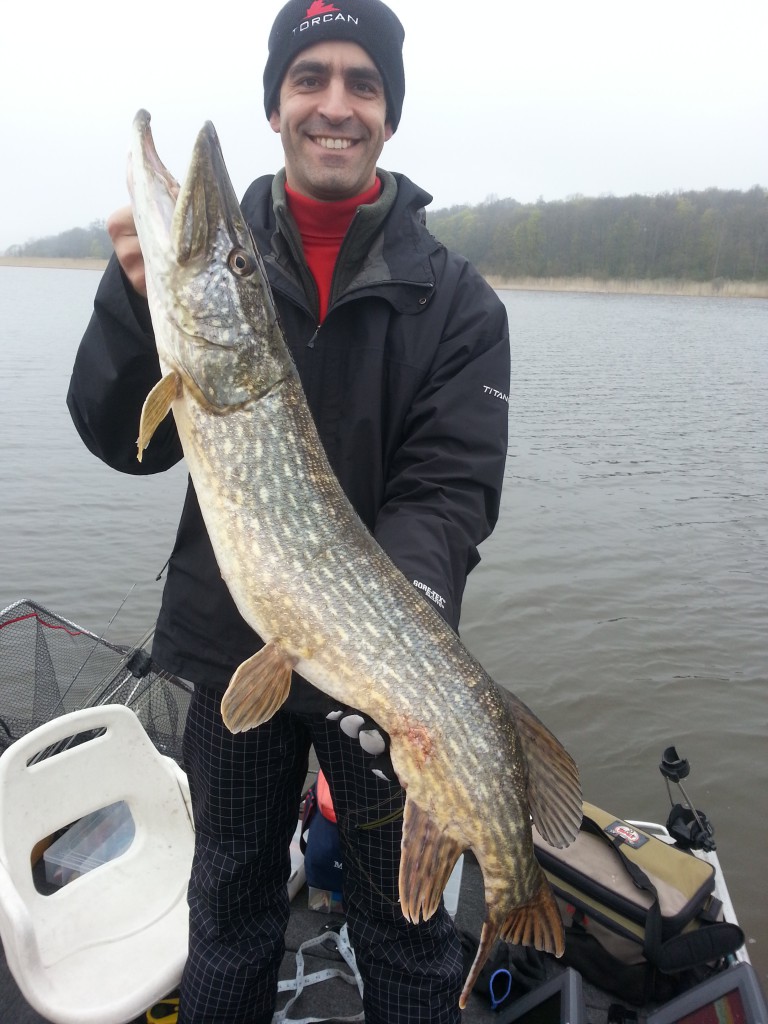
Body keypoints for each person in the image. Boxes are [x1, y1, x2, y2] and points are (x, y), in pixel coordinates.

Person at [67, 1, 510, 1021]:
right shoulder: (219, 281)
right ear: (276, 106)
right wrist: (136, 305)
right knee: (227, 907)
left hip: (384, 679)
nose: (335, 104)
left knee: (404, 936)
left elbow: (448, 493)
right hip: (232, 652)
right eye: (309, 78)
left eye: (363, 81)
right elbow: (113, 436)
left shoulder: (458, 304)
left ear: (389, 115)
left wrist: (389, 629)